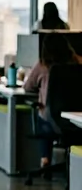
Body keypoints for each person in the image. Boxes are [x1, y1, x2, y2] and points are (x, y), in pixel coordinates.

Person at [21, 33, 82, 167]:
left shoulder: (42, 65)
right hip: (75, 119)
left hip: (52, 119)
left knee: (43, 114)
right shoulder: (78, 62)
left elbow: (27, 87)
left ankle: (45, 159)